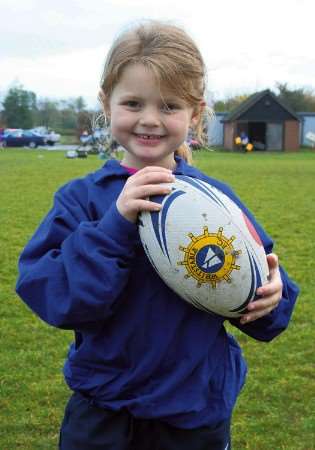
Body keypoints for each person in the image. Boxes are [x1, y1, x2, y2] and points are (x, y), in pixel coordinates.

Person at [16, 21, 299, 450]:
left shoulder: (214, 201)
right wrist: (115, 225)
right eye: (132, 103)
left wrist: (272, 296)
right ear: (106, 106)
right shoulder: (82, 200)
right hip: (104, 416)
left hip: (193, 416)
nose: (149, 119)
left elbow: (263, 294)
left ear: (195, 114)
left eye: (169, 106)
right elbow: (57, 298)